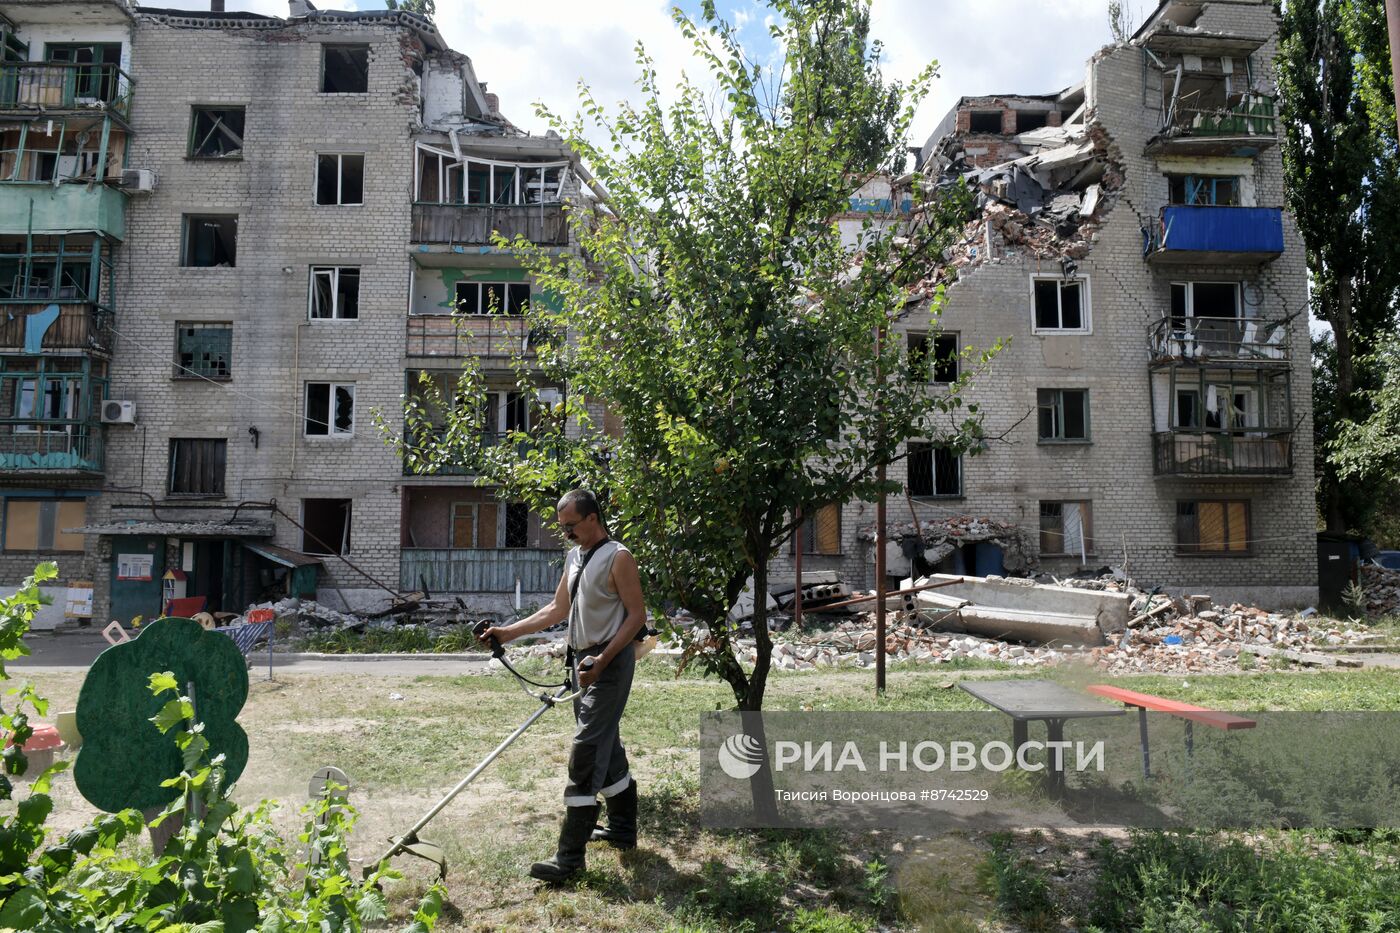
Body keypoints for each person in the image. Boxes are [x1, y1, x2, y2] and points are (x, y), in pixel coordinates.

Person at [482, 489, 646, 883]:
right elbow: (557, 610)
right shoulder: (575, 557)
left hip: (608, 663)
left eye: (571, 526)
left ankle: (569, 861)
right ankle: (623, 830)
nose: (567, 534)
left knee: (586, 750)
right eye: (562, 528)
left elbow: (637, 616)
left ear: (593, 518)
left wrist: (602, 660)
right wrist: (507, 633)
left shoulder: (618, 557)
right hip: (582, 663)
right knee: (605, 742)